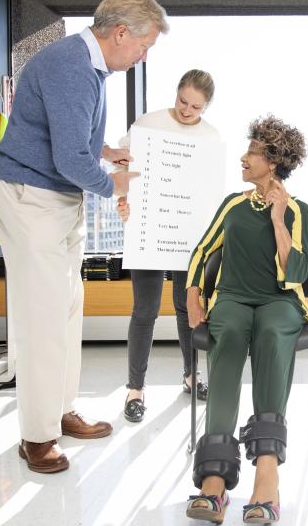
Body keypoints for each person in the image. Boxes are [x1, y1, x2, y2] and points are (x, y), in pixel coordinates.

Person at [0, 0, 168, 474]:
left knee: (66, 309)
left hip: (56, 197)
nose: (144, 54)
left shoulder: (89, 66)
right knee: (42, 317)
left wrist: (106, 152)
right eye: (145, 45)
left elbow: (70, 137)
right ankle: (36, 436)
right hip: (31, 194)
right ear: (121, 32)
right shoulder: (72, 67)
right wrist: (116, 183)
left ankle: (60, 410)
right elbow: (69, 159)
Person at [184, 115, 308, 525]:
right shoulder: (233, 205)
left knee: (273, 334)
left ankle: (267, 478)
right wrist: (192, 293)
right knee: (230, 335)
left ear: (272, 162)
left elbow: (296, 271)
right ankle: (214, 481)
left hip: (280, 300)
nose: (244, 157)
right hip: (234, 297)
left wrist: (277, 219)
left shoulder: (296, 210)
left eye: (252, 152)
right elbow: (203, 251)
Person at [113, 69, 220, 422]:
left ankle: (192, 377)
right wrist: (123, 199)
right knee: (144, 310)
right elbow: (121, 162)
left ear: (207, 107)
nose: (188, 110)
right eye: (183, 101)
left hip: (189, 235)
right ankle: (135, 390)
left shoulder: (210, 137)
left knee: (186, 306)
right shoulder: (149, 123)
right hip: (150, 229)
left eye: (196, 107)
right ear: (175, 93)